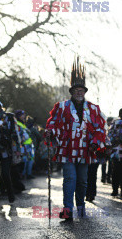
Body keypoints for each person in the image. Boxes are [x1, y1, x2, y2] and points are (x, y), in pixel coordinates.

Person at [45, 58, 106, 221]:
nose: (79, 92)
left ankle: (81, 207)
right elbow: (52, 122)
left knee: (83, 182)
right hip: (67, 150)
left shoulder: (93, 108)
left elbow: (100, 129)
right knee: (70, 179)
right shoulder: (62, 106)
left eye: (82, 90)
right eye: (76, 90)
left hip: (86, 150)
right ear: (71, 92)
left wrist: (95, 143)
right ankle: (67, 210)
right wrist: (50, 131)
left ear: (85, 92)